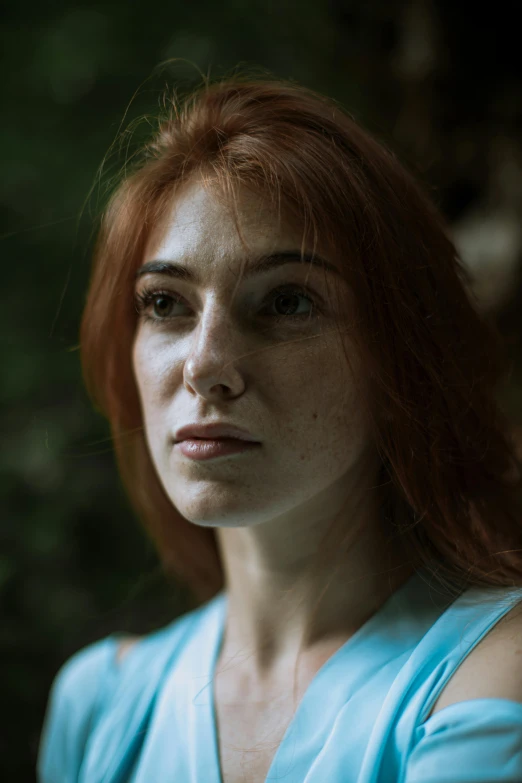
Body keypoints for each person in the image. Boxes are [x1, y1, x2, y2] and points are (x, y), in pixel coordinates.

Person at [37, 74, 522, 783]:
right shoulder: (100, 704)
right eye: (166, 302)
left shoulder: (492, 671)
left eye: (287, 302)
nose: (205, 365)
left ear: (400, 363)